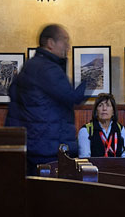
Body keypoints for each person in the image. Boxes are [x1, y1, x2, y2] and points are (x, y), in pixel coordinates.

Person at [5, 24, 88, 174]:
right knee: (49, 194)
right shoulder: (47, 68)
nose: (68, 47)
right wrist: (90, 80)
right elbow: (72, 97)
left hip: (32, 144)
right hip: (47, 147)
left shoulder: (31, 65)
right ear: (50, 43)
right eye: (64, 41)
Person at [78, 93, 125, 158]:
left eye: (108, 105)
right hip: (94, 168)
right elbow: (85, 159)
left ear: (113, 111)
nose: (104, 108)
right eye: (100, 105)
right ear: (96, 111)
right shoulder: (86, 131)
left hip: (117, 167)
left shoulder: (120, 129)